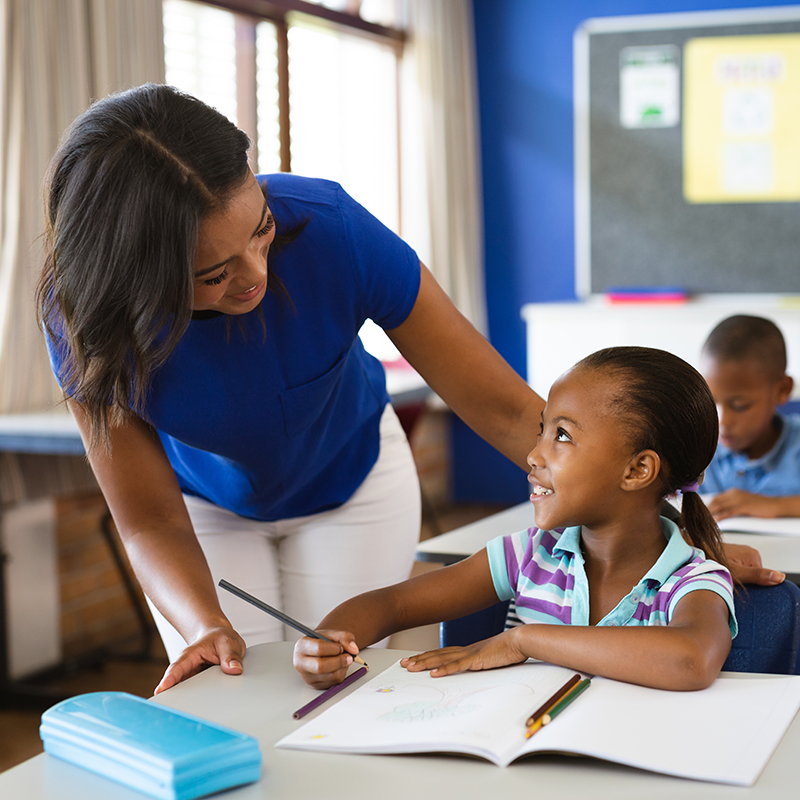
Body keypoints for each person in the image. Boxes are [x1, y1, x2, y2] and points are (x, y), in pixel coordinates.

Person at [36, 85, 773, 696]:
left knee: (334, 687)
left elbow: (508, 409)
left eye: (259, 230)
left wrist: (668, 534)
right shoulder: (87, 318)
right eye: (212, 274)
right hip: (202, 510)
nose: (255, 274)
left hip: (355, 481)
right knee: (237, 691)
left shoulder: (331, 231)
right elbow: (147, 518)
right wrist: (201, 625)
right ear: (136, 278)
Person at [294, 346, 737, 691]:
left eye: (561, 435)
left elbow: (690, 659)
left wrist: (524, 640)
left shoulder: (692, 580)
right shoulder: (528, 556)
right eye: (541, 429)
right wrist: (330, 640)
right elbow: (392, 605)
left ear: (637, 470)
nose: (533, 453)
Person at [700, 315, 800, 521]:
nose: (722, 421)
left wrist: (775, 505)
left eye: (739, 406)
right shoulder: (697, 452)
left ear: (783, 389)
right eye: (711, 402)